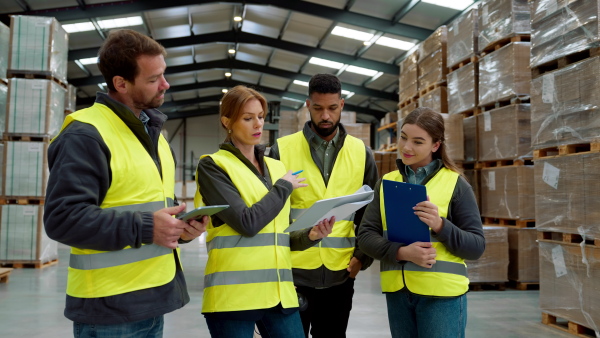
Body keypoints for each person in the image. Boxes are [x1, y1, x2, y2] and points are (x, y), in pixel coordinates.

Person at [44, 29, 208, 337]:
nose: (165, 84)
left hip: (152, 298)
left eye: (164, 74)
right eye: (153, 79)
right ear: (121, 83)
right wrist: (148, 227)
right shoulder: (86, 134)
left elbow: (153, 205)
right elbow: (62, 219)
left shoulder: (153, 134)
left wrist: (181, 228)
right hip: (109, 308)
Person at [194, 85, 335, 338]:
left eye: (260, 116)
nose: (257, 124)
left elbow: (279, 237)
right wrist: (283, 188)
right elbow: (247, 223)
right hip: (234, 297)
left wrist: (310, 236)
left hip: (280, 295)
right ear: (227, 122)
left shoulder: (277, 167)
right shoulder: (213, 166)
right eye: (247, 118)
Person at [357, 107, 486, 338]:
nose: (406, 147)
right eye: (404, 137)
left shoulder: (455, 184)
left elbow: (476, 246)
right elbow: (366, 236)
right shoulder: (387, 183)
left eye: (418, 142)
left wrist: (440, 225)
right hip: (398, 293)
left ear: (435, 145)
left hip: (442, 296)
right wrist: (402, 253)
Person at [268, 73, 378, 338]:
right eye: (318, 108)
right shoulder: (280, 150)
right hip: (293, 272)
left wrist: (362, 258)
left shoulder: (361, 153)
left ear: (342, 105)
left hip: (340, 274)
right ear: (308, 105)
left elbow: (371, 213)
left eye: (331, 108)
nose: (325, 116)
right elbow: (270, 212)